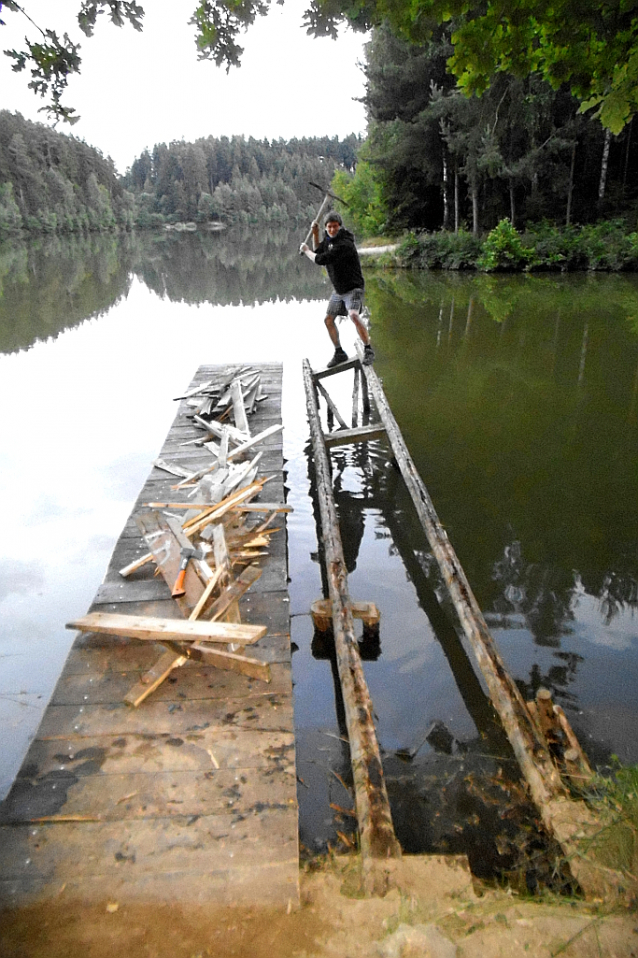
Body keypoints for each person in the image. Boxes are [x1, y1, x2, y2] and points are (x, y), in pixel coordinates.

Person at [300, 211, 375, 368]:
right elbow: (319, 250)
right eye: (329, 227)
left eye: (335, 226)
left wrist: (306, 251)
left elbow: (321, 259)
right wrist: (315, 234)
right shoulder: (329, 239)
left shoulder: (345, 244)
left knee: (354, 315)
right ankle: (339, 352)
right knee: (328, 320)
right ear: (326, 228)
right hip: (339, 290)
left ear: (340, 227)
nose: (332, 230)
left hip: (354, 288)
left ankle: (368, 350)